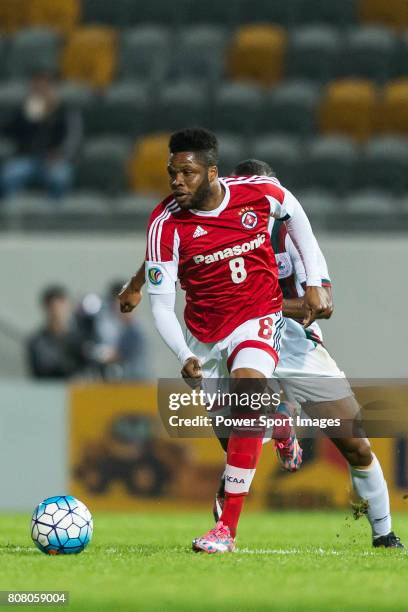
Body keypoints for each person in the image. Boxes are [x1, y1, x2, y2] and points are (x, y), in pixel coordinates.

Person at [121, 127, 328, 553]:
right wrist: (183, 353)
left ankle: (226, 529)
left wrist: (316, 281)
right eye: (172, 173)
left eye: (188, 172)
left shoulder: (258, 192)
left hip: (258, 315)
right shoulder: (164, 225)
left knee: (250, 395)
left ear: (212, 172)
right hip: (203, 334)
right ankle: (281, 426)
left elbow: (299, 221)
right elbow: (161, 306)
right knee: (232, 431)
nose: (177, 181)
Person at [210, 159, 403, 550]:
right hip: (235, 338)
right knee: (235, 440)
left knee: (355, 443)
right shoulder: (218, 234)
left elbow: (324, 303)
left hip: (296, 341)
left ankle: (384, 534)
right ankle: (273, 428)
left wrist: (258, 305)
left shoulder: (294, 236)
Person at [1, 73, 81, 199]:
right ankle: (15, 212)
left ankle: (54, 213)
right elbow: (8, 132)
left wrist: (61, 154)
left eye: (44, 88)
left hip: (55, 160)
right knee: (8, 177)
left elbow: (73, 139)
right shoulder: (25, 110)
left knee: (60, 179)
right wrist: (26, 117)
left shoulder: (65, 112)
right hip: (27, 157)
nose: (40, 92)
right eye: (36, 89)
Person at [93, 281, 150, 381]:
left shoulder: (134, 331)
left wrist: (98, 353)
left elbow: (116, 355)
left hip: (136, 384)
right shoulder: (120, 329)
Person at [27, 285, 88, 379]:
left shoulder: (79, 339)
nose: (58, 310)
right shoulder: (37, 341)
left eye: (61, 304)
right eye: (53, 306)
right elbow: (41, 370)